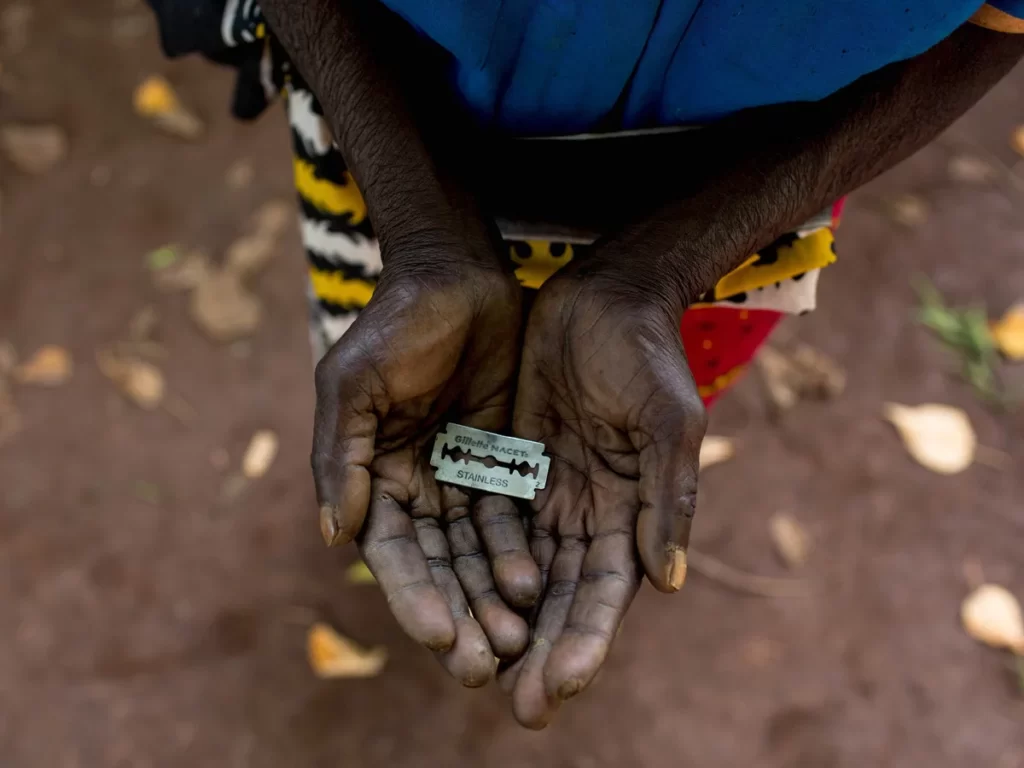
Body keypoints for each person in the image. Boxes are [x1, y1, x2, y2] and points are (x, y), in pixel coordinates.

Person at [146, 0, 1024, 729]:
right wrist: (421, 228)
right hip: (386, 137)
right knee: (383, 357)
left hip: (743, 208)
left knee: (655, 399)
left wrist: (659, 272)